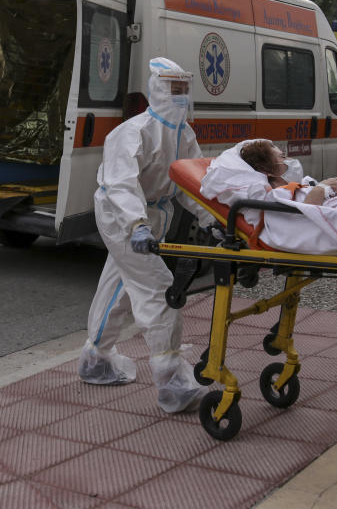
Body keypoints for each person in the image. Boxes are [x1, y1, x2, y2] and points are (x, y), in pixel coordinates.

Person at [78, 57, 218, 413]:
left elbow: (189, 182)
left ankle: (96, 358)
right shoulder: (131, 132)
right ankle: (172, 382)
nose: (181, 96)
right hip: (121, 215)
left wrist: (211, 218)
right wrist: (135, 225)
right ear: (158, 90)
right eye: (174, 89)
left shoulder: (184, 134)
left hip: (151, 215)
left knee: (120, 284)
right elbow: (120, 185)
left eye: (185, 89)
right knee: (158, 288)